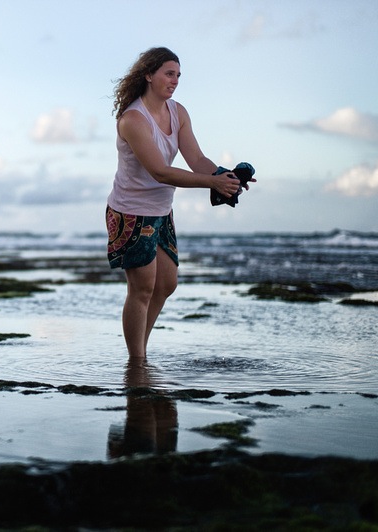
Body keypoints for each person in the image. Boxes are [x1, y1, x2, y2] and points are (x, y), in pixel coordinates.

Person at [106, 46, 254, 360]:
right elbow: (160, 171)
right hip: (131, 211)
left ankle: (141, 351)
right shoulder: (133, 119)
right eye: (168, 74)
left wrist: (224, 176)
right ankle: (137, 360)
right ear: (148, 75)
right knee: (142, 288)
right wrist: (211, 183)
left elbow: (196, 159)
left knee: (167, 284)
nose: (175, 81)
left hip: (161, 211)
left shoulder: (178, 112)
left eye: (178, 75)